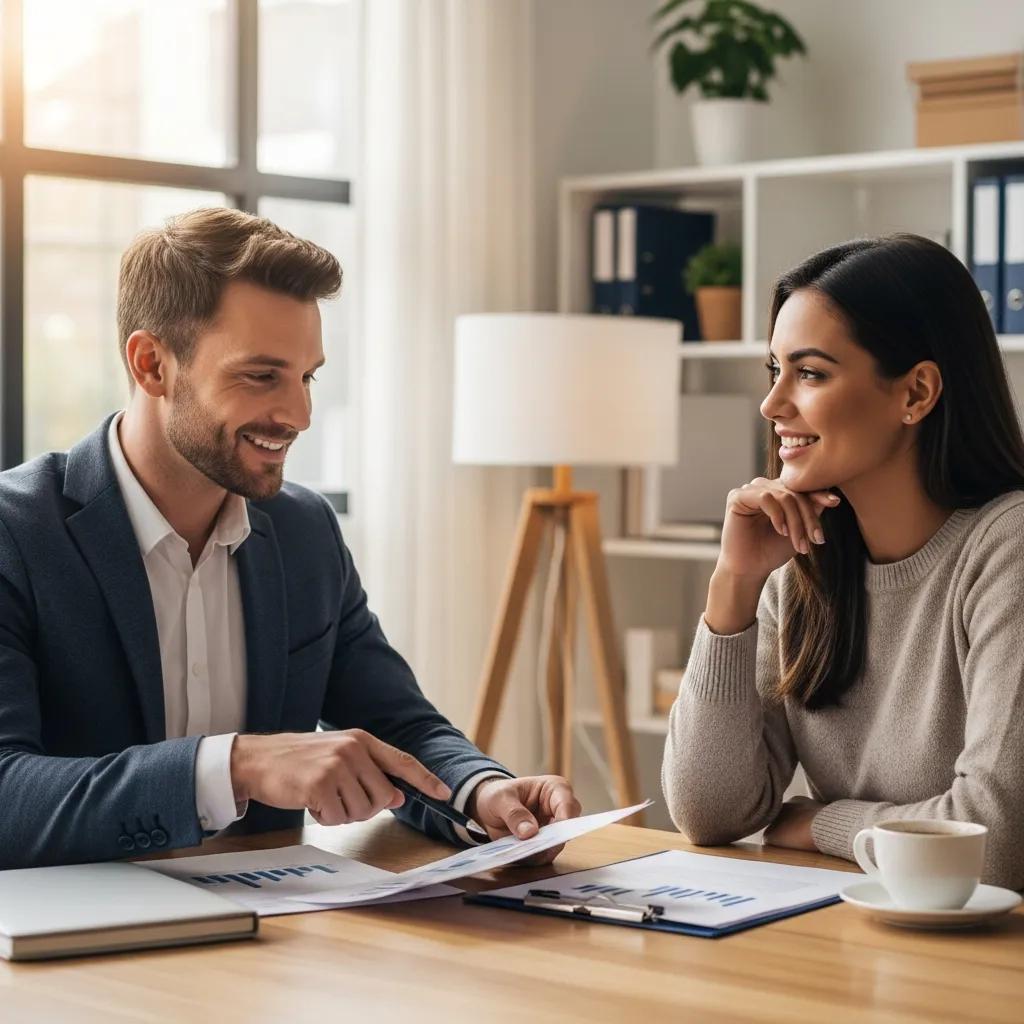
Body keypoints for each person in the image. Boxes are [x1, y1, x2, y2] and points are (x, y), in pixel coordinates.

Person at [0, 207, 580, 870]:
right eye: (262, 375)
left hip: (274, 946)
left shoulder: (303, 534)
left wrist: (484, 793)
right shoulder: (16, 534)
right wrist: (235, 765)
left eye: (307, 376)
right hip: (74, 954)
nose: (299, 415)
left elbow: (399, 725)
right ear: (152, 364)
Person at [662, 233, 1024, 890]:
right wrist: (735, 583)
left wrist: (823, 823)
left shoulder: (1009, 547)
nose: (773, 406)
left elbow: (991, 845)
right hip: (862, 936)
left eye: (810, 373)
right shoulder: (798, 571)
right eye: (775, 371)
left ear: (916, 392)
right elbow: (708, 813)